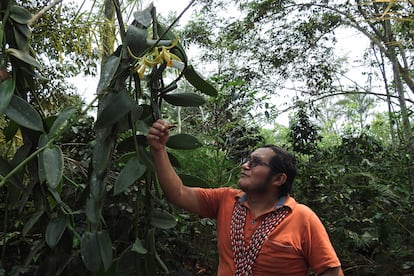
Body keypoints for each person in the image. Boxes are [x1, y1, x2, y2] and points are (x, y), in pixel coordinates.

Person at [147, 119, 344, 276]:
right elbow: (178, 193)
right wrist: (158, 149)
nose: (245, 166)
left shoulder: (302, 218)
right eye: (247, 160)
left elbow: (331, 270)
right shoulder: (225, 200)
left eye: (256, 163)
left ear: (278, 178)